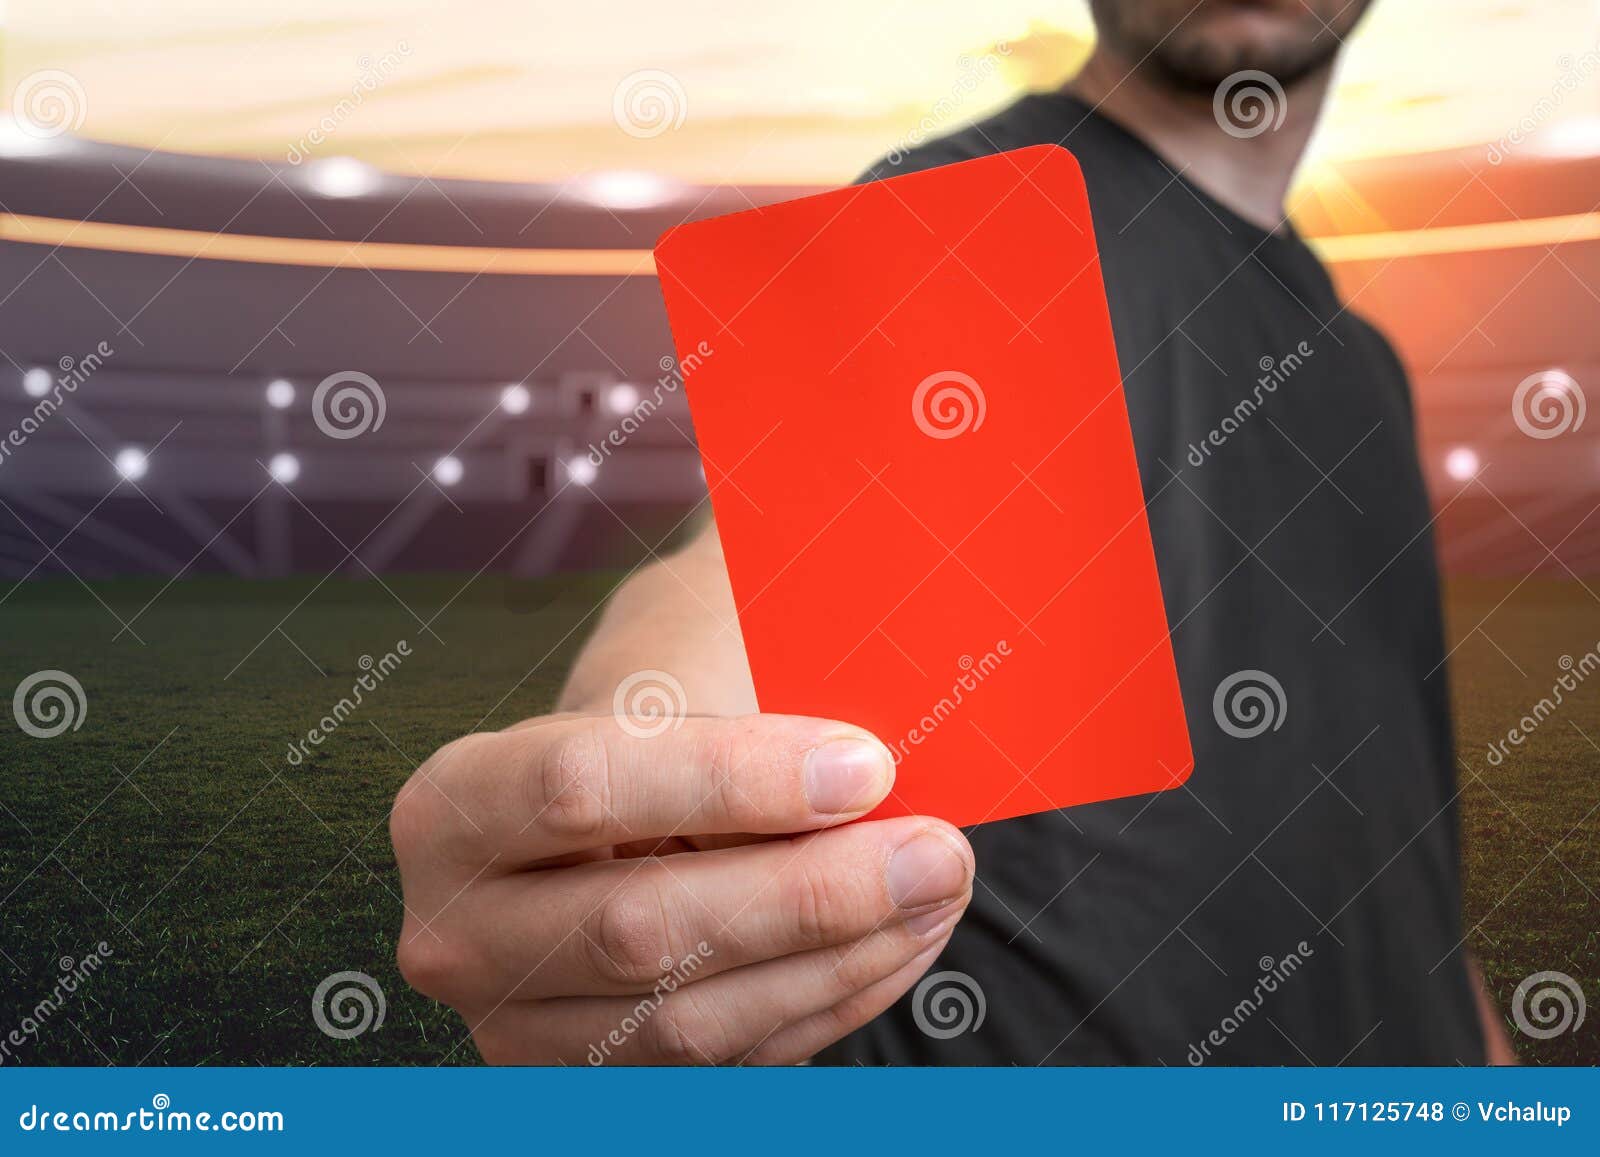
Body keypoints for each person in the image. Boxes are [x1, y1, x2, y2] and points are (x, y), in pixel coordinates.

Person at [390, 0, 1516, 1064]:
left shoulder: (1365, 366)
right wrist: (623, 774)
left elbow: (1404, 827)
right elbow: (736, 582)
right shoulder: (957, 220)